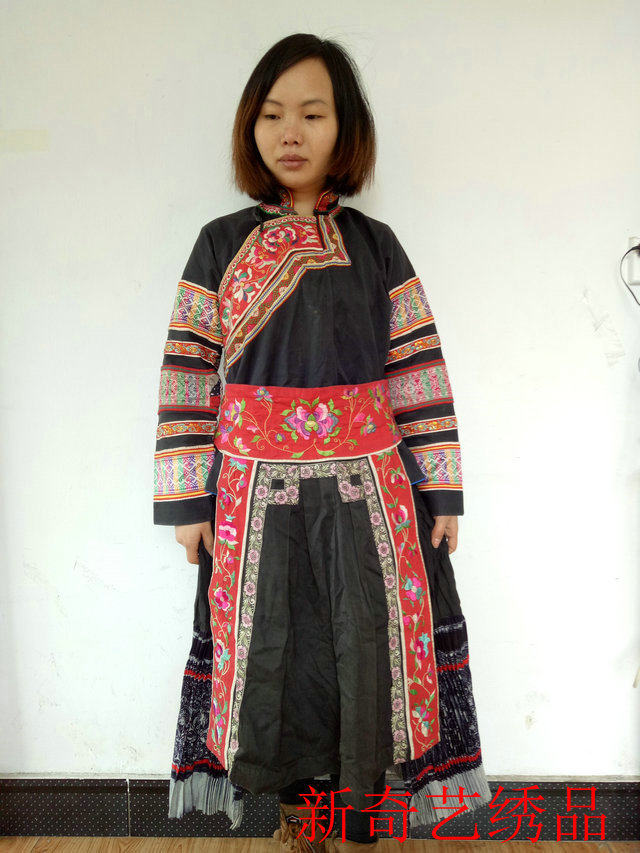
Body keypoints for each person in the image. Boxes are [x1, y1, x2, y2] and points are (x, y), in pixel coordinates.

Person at [153, 33, 491, 851]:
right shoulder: (219, 244)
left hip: (369, 503)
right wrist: (188, 502)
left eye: (312, 113)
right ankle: (298, 822)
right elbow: (188, 374)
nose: (291, 132)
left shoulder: (377, 246)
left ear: (346, 129)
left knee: (362, 653)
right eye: (272, 114)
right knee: (274, 656)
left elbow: (416, 371)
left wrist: (440, 490)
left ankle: (356, 816)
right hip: (251, 508)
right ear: (251, 127)